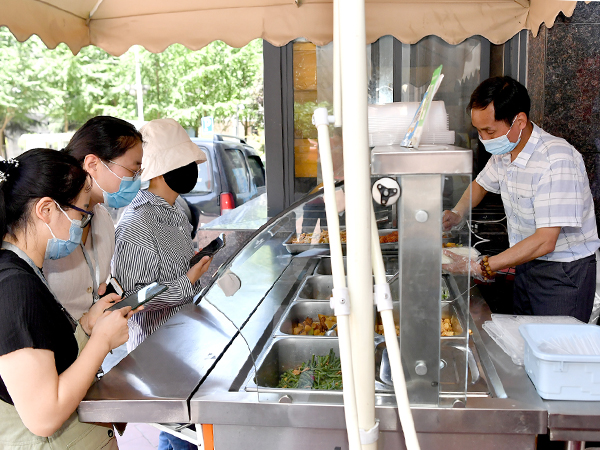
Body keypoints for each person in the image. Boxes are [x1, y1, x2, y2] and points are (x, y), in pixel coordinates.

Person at [0, 149, 135, 448]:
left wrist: (87, 325)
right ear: (46, 209)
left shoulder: (26, 270)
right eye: (81, 213)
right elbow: (44, 417)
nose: (82, 224)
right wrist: (101, 341)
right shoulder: (14, 287)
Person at [443, 76, 600, 322]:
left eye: (489, 131)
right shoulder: (506, 151)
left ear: (519, 121)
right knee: (525, 336)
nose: (484, 139)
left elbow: (545, 241)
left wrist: (482, 266)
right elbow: (480, 185)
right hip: (526, 261)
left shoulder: (556, 160)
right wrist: (457, 213)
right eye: (479, 131)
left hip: (562, 272)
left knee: (552, 342)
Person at [112, 118, 212, 352]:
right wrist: (187, 281)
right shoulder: (137, 222)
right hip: (154, 352)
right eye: (180, 162)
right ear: (157, 170)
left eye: (189, 161)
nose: (189, 168)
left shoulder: (176, 210)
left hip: (185, 338)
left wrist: (193, 268)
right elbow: (132, 297)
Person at [44, 116, 143, 320]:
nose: (136, 181)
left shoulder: (103, 218)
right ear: (92, 164)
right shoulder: (47, 222)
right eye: (133, 171)